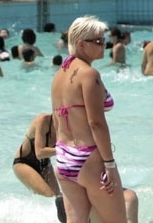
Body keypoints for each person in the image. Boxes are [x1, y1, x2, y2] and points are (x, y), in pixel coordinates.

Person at [51, 16, 128, 223]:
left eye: (104, 40)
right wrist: (109, 164)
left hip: (64, 159)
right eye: (99, 41)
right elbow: (96, 122)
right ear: (81, 44)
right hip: (87, 158)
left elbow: (57, 120)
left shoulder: (59, 74)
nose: (104, 45)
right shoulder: (88, 74)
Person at [13, 112, 66, 221]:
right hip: (23, 162)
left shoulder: (68, 127)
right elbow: (40, 152)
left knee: (59, 197)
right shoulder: (43, 120)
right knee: (48, 193)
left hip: (44, 164)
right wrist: (66, 150)